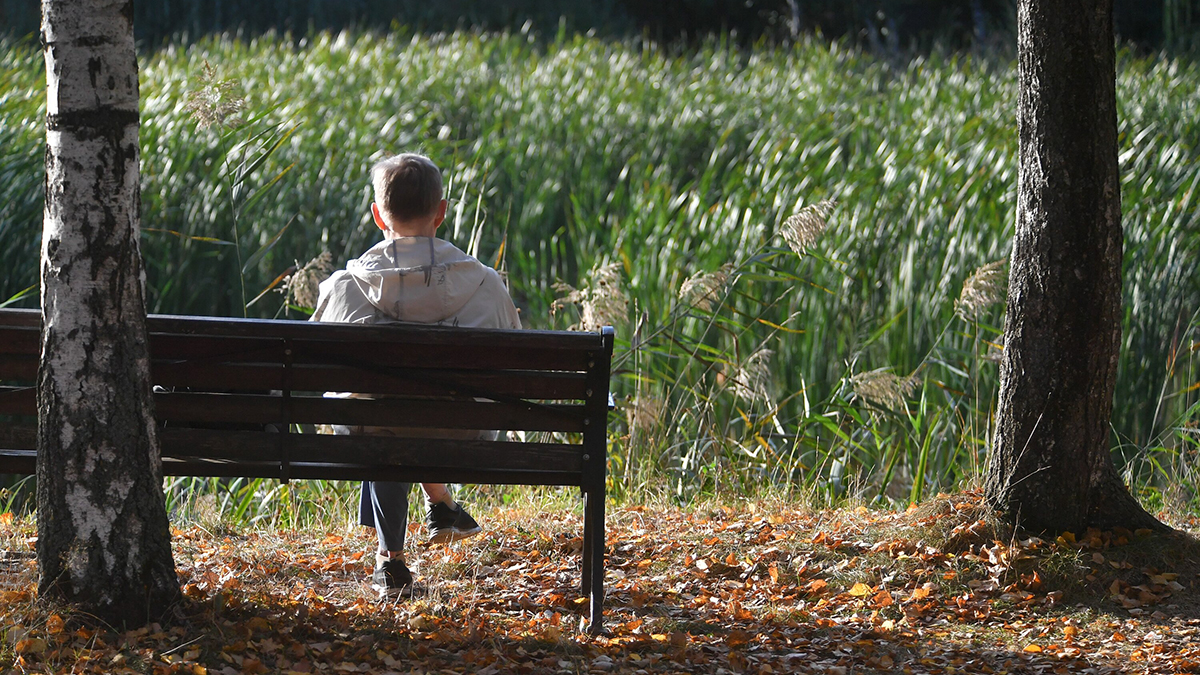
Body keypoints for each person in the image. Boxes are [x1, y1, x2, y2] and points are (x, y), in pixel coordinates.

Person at [311, 153, 521, 596]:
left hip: (374, 431)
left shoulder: (346, 287)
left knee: (377, 414)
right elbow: (515, 366)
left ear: (377, 215)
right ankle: (439, 504)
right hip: (460, 435)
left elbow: (313, 367)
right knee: (395, 415)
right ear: (441, 211)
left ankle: (393, 560)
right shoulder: (485, 284)